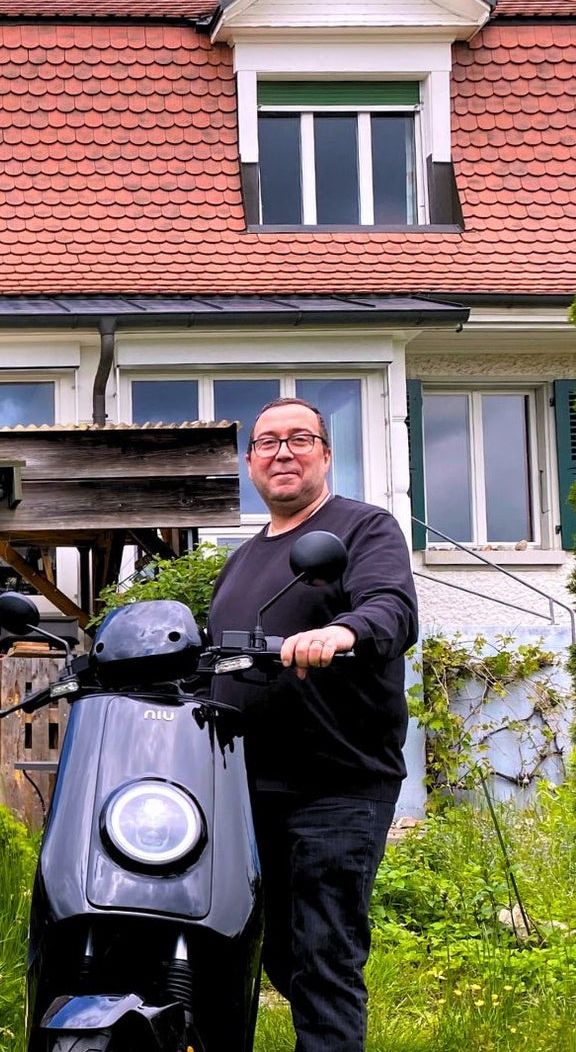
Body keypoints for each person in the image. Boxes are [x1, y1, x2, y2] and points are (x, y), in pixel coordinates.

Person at [207, 397, 418, 1052]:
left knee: (324, 954)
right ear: (250, 463)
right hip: (249, 791)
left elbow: (391, 608)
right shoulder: (239, 563)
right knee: (274, 950)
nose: (282, 452)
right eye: (267, 442)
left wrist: (340, 630)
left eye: (299, 439)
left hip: (338, 785)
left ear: (326, 454)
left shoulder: (363, 530)